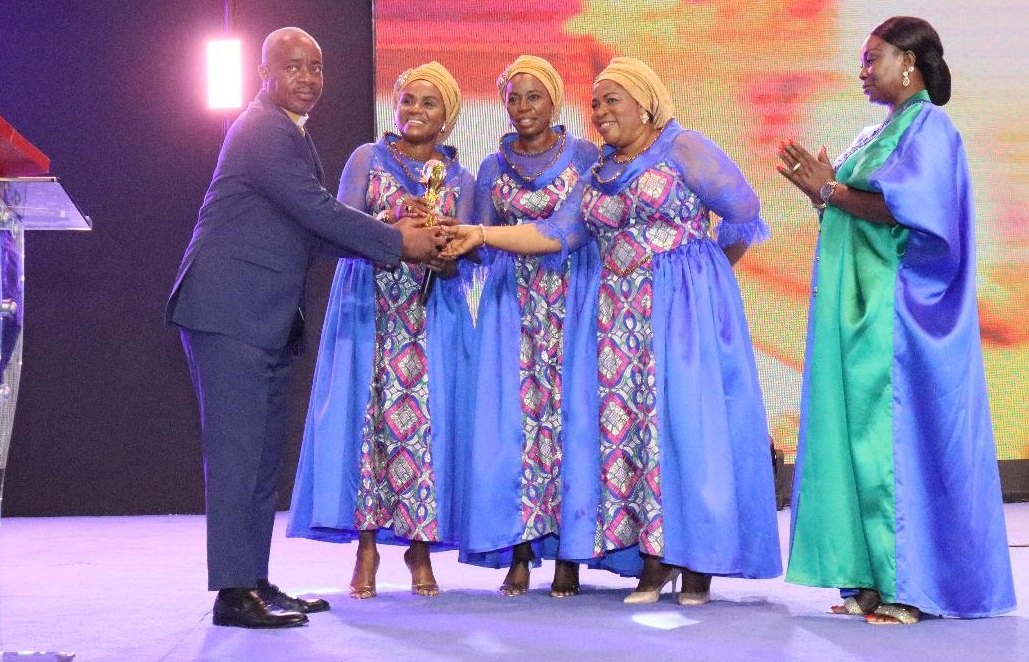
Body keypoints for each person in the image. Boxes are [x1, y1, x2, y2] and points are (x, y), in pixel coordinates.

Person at [443, 56, 781, 605]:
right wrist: (479, 231)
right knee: (635, 435)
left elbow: (743, 208)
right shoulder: (597, 172)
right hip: (617, 319)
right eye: (595, 103)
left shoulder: (684, 147)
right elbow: (555, 233)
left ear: (645, 102)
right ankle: (656, 557)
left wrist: (708, 274)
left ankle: (702, 564)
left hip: (682, 315)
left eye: (611, 100)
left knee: (690, 429)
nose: (599, 112)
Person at [165, 28, 447, 628]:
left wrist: (390, 232)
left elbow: (314, 227)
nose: (308, 78)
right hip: (227, 312)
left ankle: (254, 580)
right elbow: (316, 210)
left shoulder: (289, 133)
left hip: (259, 316)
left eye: (316, 66)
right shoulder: (263, 129)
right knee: (237, 456)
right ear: (265, 74)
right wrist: (401, 241)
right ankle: (232, 594)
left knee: (262, 458)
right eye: (293, 67)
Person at [777, 16, 1016, 624]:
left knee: (893, 450)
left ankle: (913, 586)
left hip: (903, 318)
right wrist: (823, 190)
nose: (862, 70)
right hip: (865, 317)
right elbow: (862, 204)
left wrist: (830, 191)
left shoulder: (930, 127)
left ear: (909, 62)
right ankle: (870, 578)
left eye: (872, 57)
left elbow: (913, 212)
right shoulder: (882, 131)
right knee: (859, 445)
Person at [286, 62, 475, 600]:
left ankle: (419, 549)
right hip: (369, 304)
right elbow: (338, 227)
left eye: (429, 104)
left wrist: (444, 254)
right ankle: (365, 548)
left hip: (433, 314)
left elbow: (472, 254)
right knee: (366, 423)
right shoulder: (367, 159)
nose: (415, 112)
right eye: (408, 101)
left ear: (449, 117)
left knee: (427, 426)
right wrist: (393, 233)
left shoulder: (460, 177)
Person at [457, 55, 599, 598]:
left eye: (533, 97)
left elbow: (589, 227)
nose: (521, 108)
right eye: (513, 98)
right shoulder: (492, 167)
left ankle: (569, 555)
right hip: (509, 302)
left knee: (572, 421)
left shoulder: (585, 155)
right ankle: (519, 552)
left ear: (556, 101)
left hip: (573, 298)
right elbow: (481, 240)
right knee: (515, 426)